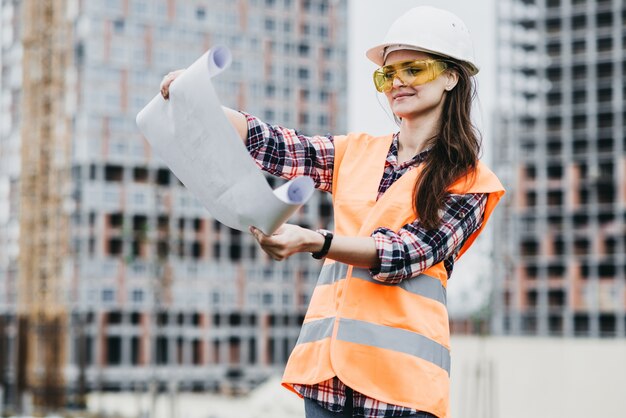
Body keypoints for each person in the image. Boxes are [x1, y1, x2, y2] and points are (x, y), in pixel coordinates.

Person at [160, 6, 504, 418]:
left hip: (400, 390)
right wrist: (200, 101)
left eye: (413, 69)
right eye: (387, 74)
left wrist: (314, 240)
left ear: (451, 76)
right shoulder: (356, 152)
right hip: (327, 384)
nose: (397, 82)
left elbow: (406, 253)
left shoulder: (470, 181)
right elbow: (280, 147)